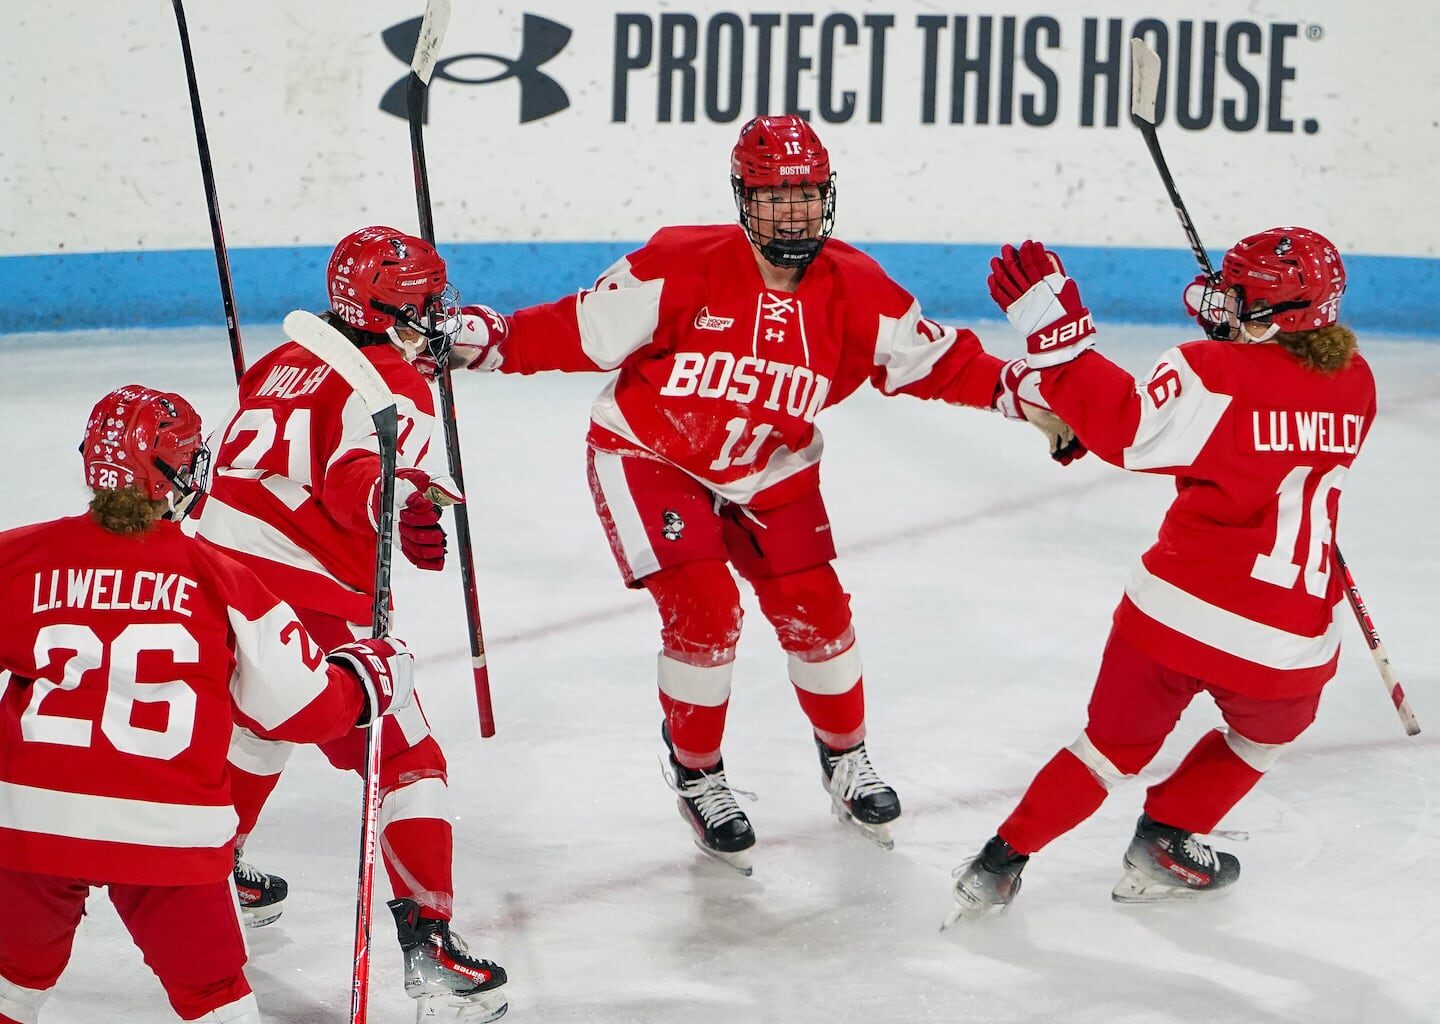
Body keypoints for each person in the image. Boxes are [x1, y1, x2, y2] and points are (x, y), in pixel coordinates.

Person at [444, 115, 1079, 873]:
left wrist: (1033, 403)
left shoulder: (858, 288)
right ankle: (699, 774)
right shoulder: (681, 262)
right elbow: (575, 331)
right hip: (651, 454)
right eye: (774, 198)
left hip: (772, 469)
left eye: (806, 196)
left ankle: (847, 758)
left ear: (828, 197)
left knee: (819, 610)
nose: (793, 213)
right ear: (743, 199)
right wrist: (488, 338)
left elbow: (940, 363)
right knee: (705, 610)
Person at [943, 227, 1374, 924]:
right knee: (1262, 739)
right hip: (1283, 646)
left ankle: (997, 866)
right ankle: (1166, 841)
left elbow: (1128, 430)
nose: (1223, 301)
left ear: (1268, 312)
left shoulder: (1211, 369)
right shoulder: (1357, 383)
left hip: (1172, 614)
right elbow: (1262, 420)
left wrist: (1062, 344)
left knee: (1107, 750)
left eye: (1238, 295)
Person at [0, 385, 416, 1024]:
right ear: (174, 472)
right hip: (166, 836)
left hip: (30, 829)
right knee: (214, 999)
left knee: (9, 991)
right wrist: (370, 677)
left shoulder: (19, 558)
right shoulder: (218, 575)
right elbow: (302, 712)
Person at [192, 227, 507, 1022]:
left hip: (209, 581)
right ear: (388, 307)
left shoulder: (279, 360)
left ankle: (211, 869)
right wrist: (399, 503)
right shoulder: (392, 383)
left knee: (257, 728)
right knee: (407, 753)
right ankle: (429, 944)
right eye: (426, 302)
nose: (438, 314)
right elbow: (356, 477)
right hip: (303, 604)